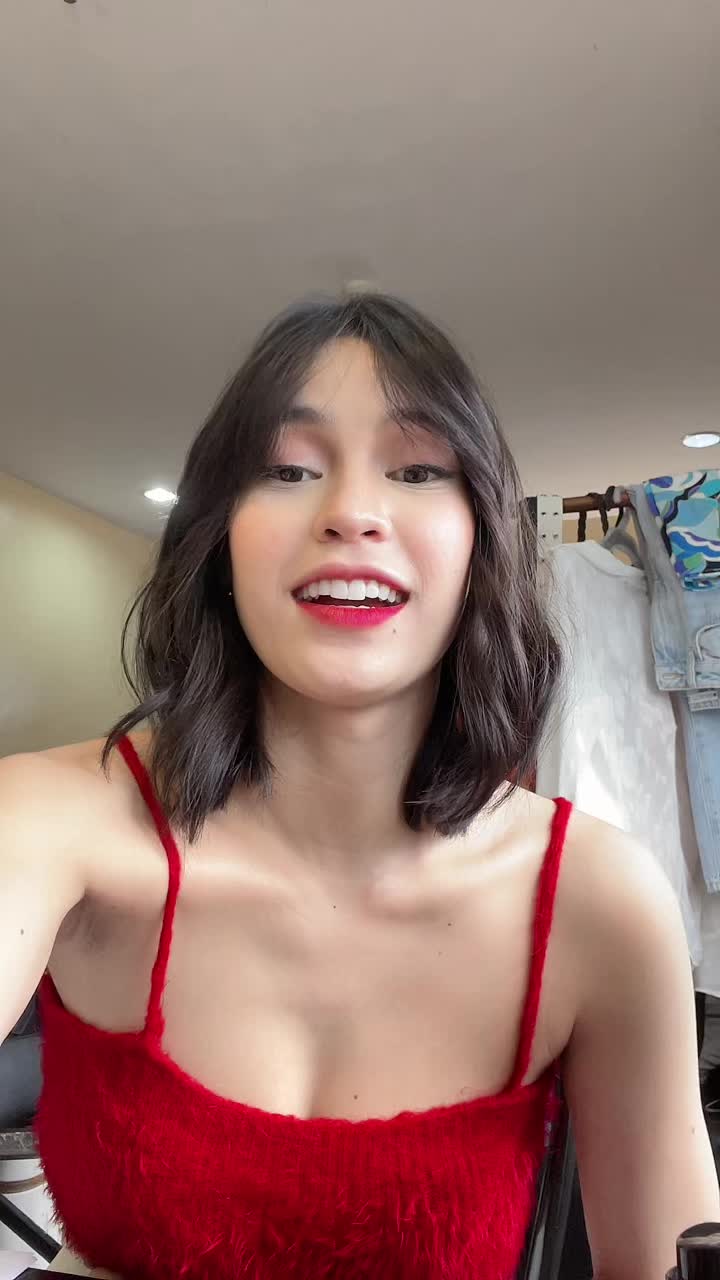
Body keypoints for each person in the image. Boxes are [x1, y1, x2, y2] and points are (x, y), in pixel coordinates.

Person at [1, 293, 717, 1280]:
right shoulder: (50, 822)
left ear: (480, 541)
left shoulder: (600, 899)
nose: (350, 511)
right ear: (218, 537)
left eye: (417, 470)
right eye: (288, 469)